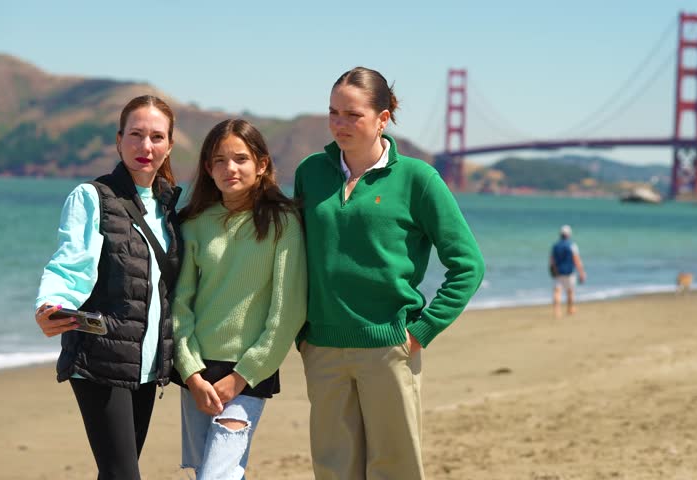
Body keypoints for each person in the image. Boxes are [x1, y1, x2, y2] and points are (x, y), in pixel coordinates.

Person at [293, 66, 485, 480]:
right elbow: (292, 256)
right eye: (333, 113)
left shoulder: (418, 179)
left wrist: (424, 329)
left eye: (352, 114)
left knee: (395, 470)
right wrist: (300, 332)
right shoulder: (310, 172)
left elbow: (468, 264)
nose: (339, 124)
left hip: (390, 348)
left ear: (383, 118)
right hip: (322, 348)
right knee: (333, 471)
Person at [34, 95, 183, 479]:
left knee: (116, 473)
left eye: (156, 137)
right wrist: (52, 303)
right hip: (100, 358)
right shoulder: (93, 197)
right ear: (119, 141)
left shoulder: (168, 208)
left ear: (170, 145)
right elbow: (72, 262)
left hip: (147, 365)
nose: (145, 147)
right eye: (135, 135)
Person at [172, 119, 307, 479]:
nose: (229, 168)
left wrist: (242, 376)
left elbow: (287, 311)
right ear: (207, 168)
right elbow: (180, 305)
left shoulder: (284, 223)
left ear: (261, 165)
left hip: (249, 372)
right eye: (219, 160)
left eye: (240, 158)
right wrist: (191, 372)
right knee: (216, 471)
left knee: (215, 475)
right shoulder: (193, 224)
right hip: (198, 373)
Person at [550, 224, 586, 318]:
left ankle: (557, 311)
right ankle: (570, 309)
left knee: (557, 291)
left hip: (558, 272)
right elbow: (576, 259)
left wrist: (553, 270)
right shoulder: (572, 245)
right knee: (570, 291)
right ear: (569, 234)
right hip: (569, 272)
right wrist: (581, 272)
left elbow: (552, 260)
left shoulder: (555, 246)